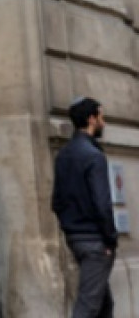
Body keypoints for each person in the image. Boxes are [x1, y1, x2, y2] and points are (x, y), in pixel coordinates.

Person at [52, 96, 117, 318]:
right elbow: (102, 204)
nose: (104, 122)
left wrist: (70, 229)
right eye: (101, 117)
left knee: (103, 304)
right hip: (95, 241)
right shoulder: (94, 156)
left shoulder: (63, 155)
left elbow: (56, 202)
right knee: (88, 306)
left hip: (75, 239)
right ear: (91, 119)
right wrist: (110, 239)